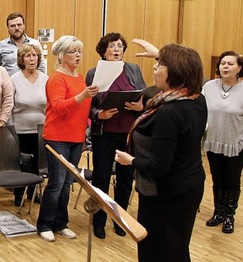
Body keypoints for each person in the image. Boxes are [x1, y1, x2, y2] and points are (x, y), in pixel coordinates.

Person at [115, 39, 207, 261]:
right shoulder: (196, 98)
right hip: (189, 187)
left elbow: (159, 166)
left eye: (160, 64)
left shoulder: (168, 113)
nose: (155, 68)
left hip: (166, 194)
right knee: (177, 247)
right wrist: (159, 54)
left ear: (174, 72)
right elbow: (151, 93)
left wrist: (131, 160)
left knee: (157, 251)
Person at [84, 32, 146, 239]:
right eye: (112, 46)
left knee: (125, 178)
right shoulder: (93, 73)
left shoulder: (133, 69)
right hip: (105, 133)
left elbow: (145, 95)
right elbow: (88, 106)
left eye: (120, 46)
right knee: (101, 177)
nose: (117, 49)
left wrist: (140, 105)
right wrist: (98, 114)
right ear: (103, 51)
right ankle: (99, 220)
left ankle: (121, 220)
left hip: (128, 133)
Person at [37, 35, 98, 242]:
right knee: (56, 183)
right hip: (57, 137)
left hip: (76, 137)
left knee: (67, 184)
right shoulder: (56, 78)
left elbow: (83, 108)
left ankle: (61, 223)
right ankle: (44, 224)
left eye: (80, 51)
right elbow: (59, 107)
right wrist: (83, 96)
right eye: (73, 51)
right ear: (62, 55)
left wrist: (98, 114)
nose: (78, 55)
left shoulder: (79, 78)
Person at [202, 51, 243, 234]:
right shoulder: (209, 86)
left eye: (230, 64)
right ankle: (218, 212)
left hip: (236, 143)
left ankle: (229, 215)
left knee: (232, 181)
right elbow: (200, 111)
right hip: (213, 142)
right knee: (217, 179)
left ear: (239, 68)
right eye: (223, 63)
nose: (225, 67)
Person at [10, 43, 48, 206]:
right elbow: (9, 106)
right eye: (28, 56)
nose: (32, 59)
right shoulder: (14, 79)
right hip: (20, 130)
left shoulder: (46, 79)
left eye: (34, 55)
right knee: (21, 165)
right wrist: (10, 128)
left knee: (37, 164)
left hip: (41, 130)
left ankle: (32, 193)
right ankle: (19, 194)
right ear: (22, 59)